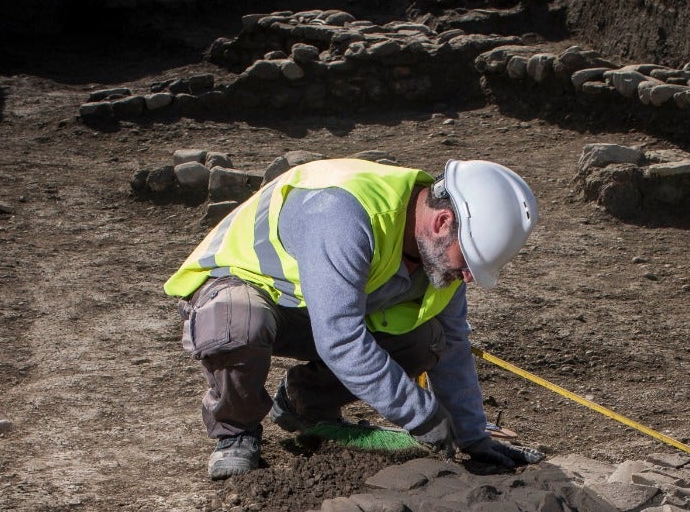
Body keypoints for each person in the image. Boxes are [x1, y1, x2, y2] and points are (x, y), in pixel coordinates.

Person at [164, 156, 545, 479]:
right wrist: (423, 415)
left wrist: (472, 436)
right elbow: (341, 338)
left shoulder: (441, 254)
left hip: (322, 311)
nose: (467, 278)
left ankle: (302, 405)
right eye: (470, 262)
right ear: (443, 222)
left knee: (427, 339)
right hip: (249, 289)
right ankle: (237, 431)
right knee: (238, 324)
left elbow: (453, 343)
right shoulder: (343, 215)